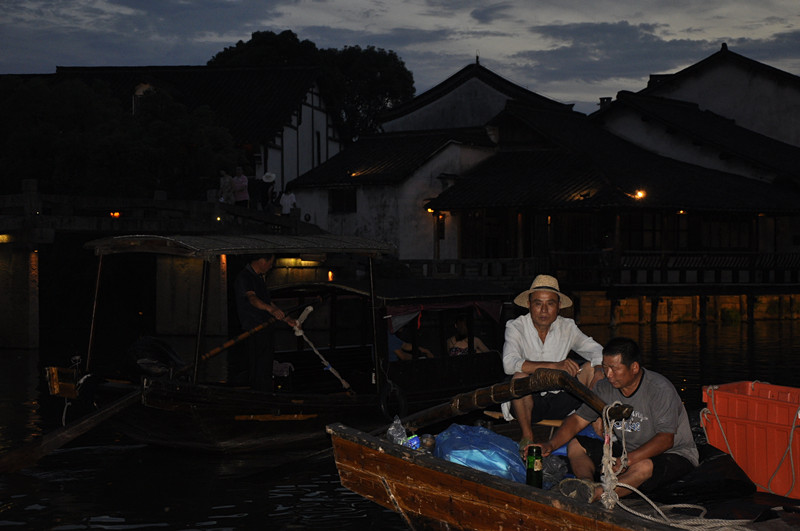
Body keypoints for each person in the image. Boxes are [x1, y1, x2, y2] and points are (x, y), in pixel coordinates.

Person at [537, 337, 699, 503]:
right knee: (576, 444)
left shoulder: (659, 389)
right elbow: (577, 420)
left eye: (614, 368)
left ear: (634, 367)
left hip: (673, 454)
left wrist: (626, 461)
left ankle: (597, 494)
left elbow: (666, 440)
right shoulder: (604, 387)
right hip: (627, 451)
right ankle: (585, 484)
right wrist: (551, 444)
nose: (608, 374)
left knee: (643, 466)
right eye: (605, 367)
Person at [501, 274, 604, 449]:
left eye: (550, 303)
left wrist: (600, 371)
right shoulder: (516, 326)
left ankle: (596, 416)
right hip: (528, 405)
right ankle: (527, 436)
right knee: (519, 376)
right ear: (529, 305)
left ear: (558, 307)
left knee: (592, 369)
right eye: (538, 303)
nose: (543, 310)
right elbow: (509, 363)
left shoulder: (568, 327)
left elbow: (597, 351)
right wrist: (554, 367)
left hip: (560, 399)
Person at [234, 254, 298, 391]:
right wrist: (270, 309)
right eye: (271, 262)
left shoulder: (258, 278)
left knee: (265, 365)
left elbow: (268, 302)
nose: (271, 266)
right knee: (258, 367)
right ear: (262, 261)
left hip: (265, 328)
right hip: (254, 329)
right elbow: (252, 299)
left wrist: (286, 319)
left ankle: (265, 391)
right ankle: (258, 394)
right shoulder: (245, 277)